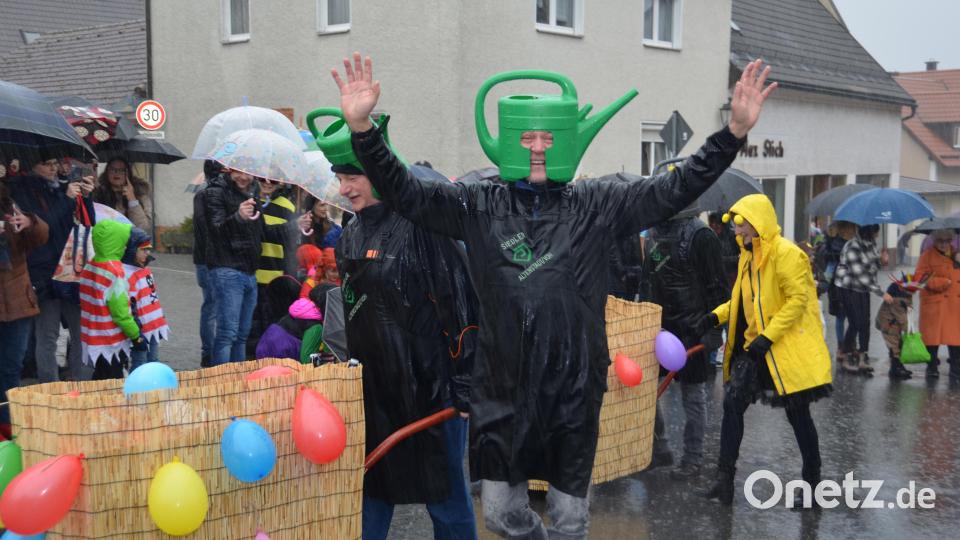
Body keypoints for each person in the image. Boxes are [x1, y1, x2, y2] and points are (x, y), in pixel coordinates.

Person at [331, 52, 776, 537]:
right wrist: (362, 129)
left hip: (572, 387)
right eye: (527, 137)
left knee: (569, 518)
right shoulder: (478, 205)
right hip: (501, 390)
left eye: (548, 137)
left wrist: (731, 133)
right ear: (506, 142)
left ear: (566, 140)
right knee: (500, 515)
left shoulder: (598, 204)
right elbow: (405, 192)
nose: (538, 148)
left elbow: (674, 188)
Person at [327, 155, 480, 540]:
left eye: (352, 177)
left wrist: (465, 386)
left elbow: (462, 307)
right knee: (371, 493)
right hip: (374, 391)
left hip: (431, 393)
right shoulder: (349, 236)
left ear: (379, 175)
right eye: (340, 179)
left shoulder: (424, 227)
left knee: (445, 498)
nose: (344, 189)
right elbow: (350, 313)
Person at [696, 194, 832, 506]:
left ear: (759, 223)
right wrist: (715, 316)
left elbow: (798, 301)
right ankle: (724, 480)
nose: (736, 231)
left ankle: (813, 485)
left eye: (741, 225)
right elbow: (744, 300)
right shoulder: (748, 255)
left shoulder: (787, 255)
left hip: (784, 349)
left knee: (798, 415)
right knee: (732, 405)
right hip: (755, 349)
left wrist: (768, 337)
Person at [642, 207, 728, 480]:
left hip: (694, 328)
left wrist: (714, 329)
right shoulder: (654, 232)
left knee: (692, 396)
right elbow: (649, 279)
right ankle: (661, 449)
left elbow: (718, 287)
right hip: (659, 327)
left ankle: (693, 458)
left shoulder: (701, 236)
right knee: (646, 393)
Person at [7, 153, 95, 383]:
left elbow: (86, 224)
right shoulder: (22, 190)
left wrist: (85, 199)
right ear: (33, 166)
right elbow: (44, 226)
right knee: (47, 334)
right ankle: (49, 386)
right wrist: (65, 200)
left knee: (81, 331)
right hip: (43, 271)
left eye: (55, 164)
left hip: (69, 269)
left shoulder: (59, 188)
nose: (53, 168)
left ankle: (82, 384)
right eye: (47, 164)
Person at [1, 182, 49, 438]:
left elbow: (41, 238)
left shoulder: (12, 202)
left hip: (18, 300)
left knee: (11, 366)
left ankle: (8, 424)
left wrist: (30, 221)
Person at [203, 167, 263, 365]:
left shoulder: (254, 193)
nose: (244, 177)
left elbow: (263, 231)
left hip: (249, 271)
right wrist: (238, 216)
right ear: (229, 169)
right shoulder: (215, 191)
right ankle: (220, 382)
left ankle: (237, 383)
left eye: (248, 172)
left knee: (242, 335)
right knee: (227, 333)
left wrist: (294, 226)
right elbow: (216, 229)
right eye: (239, 171)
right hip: (226, 269)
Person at [77, 220, 147, 380]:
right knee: (114, 383)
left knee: (99, 379)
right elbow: (120, 314)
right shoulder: (115, 273)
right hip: (111, 342)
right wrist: (136, 335)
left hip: (92, 337)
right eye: (123, 241)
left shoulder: (90, 266)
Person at [248, 177, 298, 357]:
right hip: (252, 272)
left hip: (275, 276)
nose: (268, 183)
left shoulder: (287, 206)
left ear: (281, 182)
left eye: (274, 180)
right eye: (263, 178)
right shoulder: (249, 201)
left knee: (270, 323)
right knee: (250, 326)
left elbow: (291, 245)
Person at [834, 224, 887, 374]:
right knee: (856, 322)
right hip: (848, 286)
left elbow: (872, 266)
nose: (877, 235)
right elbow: (860, 273)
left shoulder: (870, 245)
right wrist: (881, 293)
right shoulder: (852, 246)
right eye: (876, 232)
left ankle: (863, 357)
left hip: (863, 288)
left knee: (865, 322)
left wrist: (881, 261)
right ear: (869, 232)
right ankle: (844, 354)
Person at [914, 228, 960, 380]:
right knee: (932, 338)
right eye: (940, 241)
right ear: (934, 241)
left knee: (955, 338)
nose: (944, 244)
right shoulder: (926, 256)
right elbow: (919, 278)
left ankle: (956, 367)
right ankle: (932, 366)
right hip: (934, 303)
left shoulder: (957, 255)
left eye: (947, 241)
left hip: (954, 304)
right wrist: (941, 282)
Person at [122, 228, 169, 371]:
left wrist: (160, 318)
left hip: (154, 325)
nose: (147, 253)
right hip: (140, 330)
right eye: (143, 250)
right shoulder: (127, 275)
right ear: (131, 250)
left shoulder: (145, 270)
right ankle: (136, 392)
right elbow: (130, 308)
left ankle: (151, 391)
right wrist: (137, 333)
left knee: (153, 361)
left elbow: (152, 297)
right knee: (139, 364)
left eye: (148, 249)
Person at [255, 285, 328, 361]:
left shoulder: (304, 308)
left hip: (265, 343)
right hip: (283, 353)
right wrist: (327, 358)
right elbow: (306, 359)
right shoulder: (316, 326)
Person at [193, 160, 219, 367]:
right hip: (208, 261)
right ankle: (209, 353)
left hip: (204, 259)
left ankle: (209, 352)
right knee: (212, 308)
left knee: (210, 307)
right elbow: (208, 229)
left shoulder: (202, 193)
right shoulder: (206, 195)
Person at [92, 157, 153, 231]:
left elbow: (142, 228)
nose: (116, 173)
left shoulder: (140, 194)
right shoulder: (99, 193)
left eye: (121, 170)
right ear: (107, 172)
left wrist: (132, 199)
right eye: (112, 169)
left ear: (128, 173)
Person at [874, 279, 915, 379]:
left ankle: (899, 366)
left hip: (891, 323)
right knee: (894, 347)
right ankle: (894, 369)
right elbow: (903, 319)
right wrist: (910, 332)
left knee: (899, 344)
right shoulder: (898, 301)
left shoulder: (901, 298)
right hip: (889, 325)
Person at [709, 211, 740, 289]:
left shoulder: (734, 236)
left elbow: (742, 256)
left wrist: (723, 259)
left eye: (717, 223)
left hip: (734, 275)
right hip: (720, 278)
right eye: (712, 223)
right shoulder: (710, 238)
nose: (715, 226)